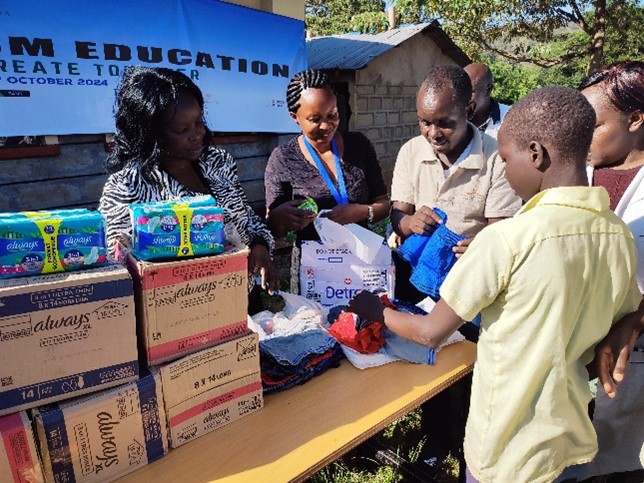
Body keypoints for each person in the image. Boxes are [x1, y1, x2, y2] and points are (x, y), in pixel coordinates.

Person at [347, 86, 642, 483]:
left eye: (505, 160)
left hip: (505, 451)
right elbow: (606, 343)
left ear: (536, 154)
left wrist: (373, 310)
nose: (503, 172)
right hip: (569, 437)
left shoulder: (506, 240)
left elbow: (430, 332)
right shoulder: (616, 234)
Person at [98, 66, 278, 313]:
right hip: (182, 314)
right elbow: (121, 269)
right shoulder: (127, 186)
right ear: (151, 134)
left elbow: (246, 219)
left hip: (242, 300)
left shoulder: (218, 163)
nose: (199, 134)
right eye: (182, 130)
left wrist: (259, 245)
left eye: (199, 121)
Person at [264, 69, 390, 292]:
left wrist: (360, 211)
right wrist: (282, 217)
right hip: (314, 270)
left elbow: (383, 203)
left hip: (361, 263)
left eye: (332, 115)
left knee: (364, 325)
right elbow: (275, 227)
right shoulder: (283, 159)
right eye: (315, 119)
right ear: (295, 117)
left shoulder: (359, 146)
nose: (326, 125)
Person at [579, 60, 644, 479]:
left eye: (595, 124)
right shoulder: (577, 173)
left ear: (636, 119)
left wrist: (637, 319)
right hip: (577, 353)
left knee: (622, 464)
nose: (583, 135)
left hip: (632, 362)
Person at [463, 62, 510, 139]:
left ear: (488, 90)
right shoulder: (448, 116)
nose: (462, 97)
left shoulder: (510, 120)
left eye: (470, 92)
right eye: (459, 90)